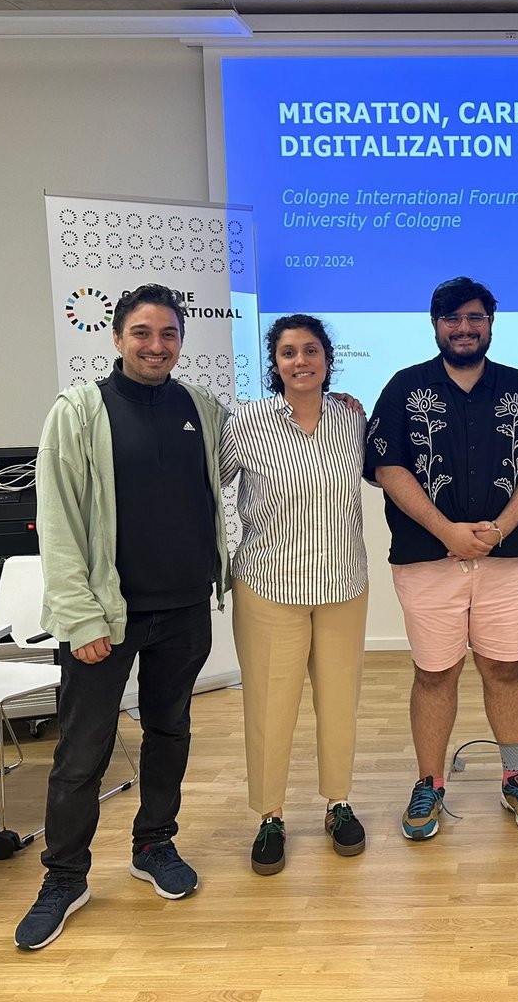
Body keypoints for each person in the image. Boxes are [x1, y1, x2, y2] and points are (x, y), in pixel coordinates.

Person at [16, 284, 230, 949]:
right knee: (84, 750)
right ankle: (64, 875)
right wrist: (80, 620)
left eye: (168, 334)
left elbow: (228, 474)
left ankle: (153, 844)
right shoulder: (78, 412)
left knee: (170, 733)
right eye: (142, 333)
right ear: (116, 338)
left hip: (186, 606)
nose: (156, 345)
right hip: (107, 618)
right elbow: (56, 523)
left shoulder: (201, 407)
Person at [365, 277, 518, 840]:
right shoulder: (405, 387)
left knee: (504, 667)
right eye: (453, 319)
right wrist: (447, 531)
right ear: (435, 325)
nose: (465, 328)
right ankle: (429, 783)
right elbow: (388, 468)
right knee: (435, 672)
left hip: (508, 558)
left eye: (475, 318)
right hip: (427, 559)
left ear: (491, 323)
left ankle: (515, 774)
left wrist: (497, 529)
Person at [221, 314, 369, 874]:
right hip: (267, 584)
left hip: (342, 583)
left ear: (328, 360)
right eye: (288, 352)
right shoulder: (247, 422)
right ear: (274, 363)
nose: (301, 361)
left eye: (311, 351)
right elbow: (209, 486)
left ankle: (338, 804)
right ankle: (271, 816)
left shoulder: (353, 421)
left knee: (339, 703)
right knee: (268, 706)